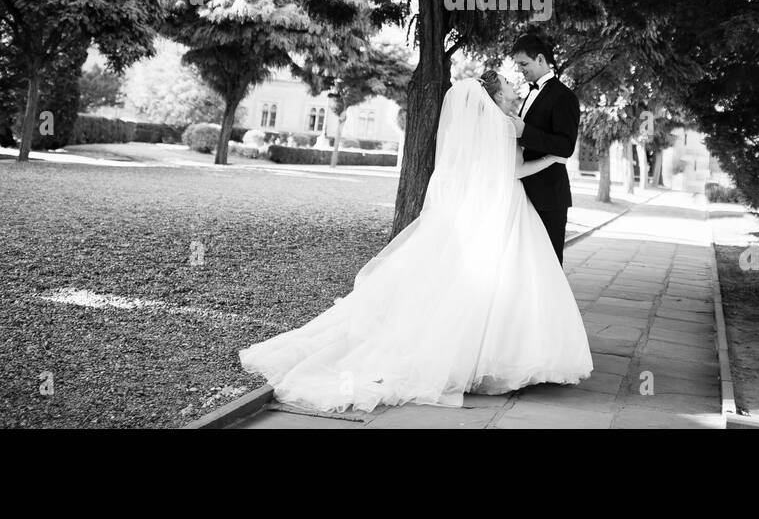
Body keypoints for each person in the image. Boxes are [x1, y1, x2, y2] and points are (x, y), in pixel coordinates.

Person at [238, 74, 592, 413]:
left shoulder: (486, 125)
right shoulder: (502, 126)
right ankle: (504, 359)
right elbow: (511, 173)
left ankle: (482, 358)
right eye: (508, 84)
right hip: (508, 204)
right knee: (513, 280)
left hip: (493, 206)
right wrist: (551, 158)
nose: (513, 87)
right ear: (497, 96)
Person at [506, 34, 581, 264]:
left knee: (548, 265)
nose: (520, 70)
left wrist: (525, 132)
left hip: (549, 197)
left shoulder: (564, 97)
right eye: (518, 65)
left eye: (523, 64)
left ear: (540, 59)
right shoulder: (530, 93)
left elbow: (565, 146)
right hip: (524, 193)